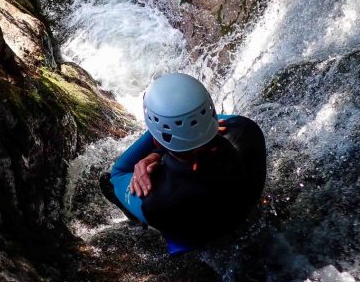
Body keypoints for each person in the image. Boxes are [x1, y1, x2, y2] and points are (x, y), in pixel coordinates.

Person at [99, 73, 267, 255]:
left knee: (107, 181)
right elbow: (209, 125)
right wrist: (159, 152)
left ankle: (137, 220)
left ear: (156, 139)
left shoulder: (155, 197)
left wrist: (155, 148)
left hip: (191, 232)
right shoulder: (245, 130)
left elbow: (118, 173)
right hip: (242, 206)